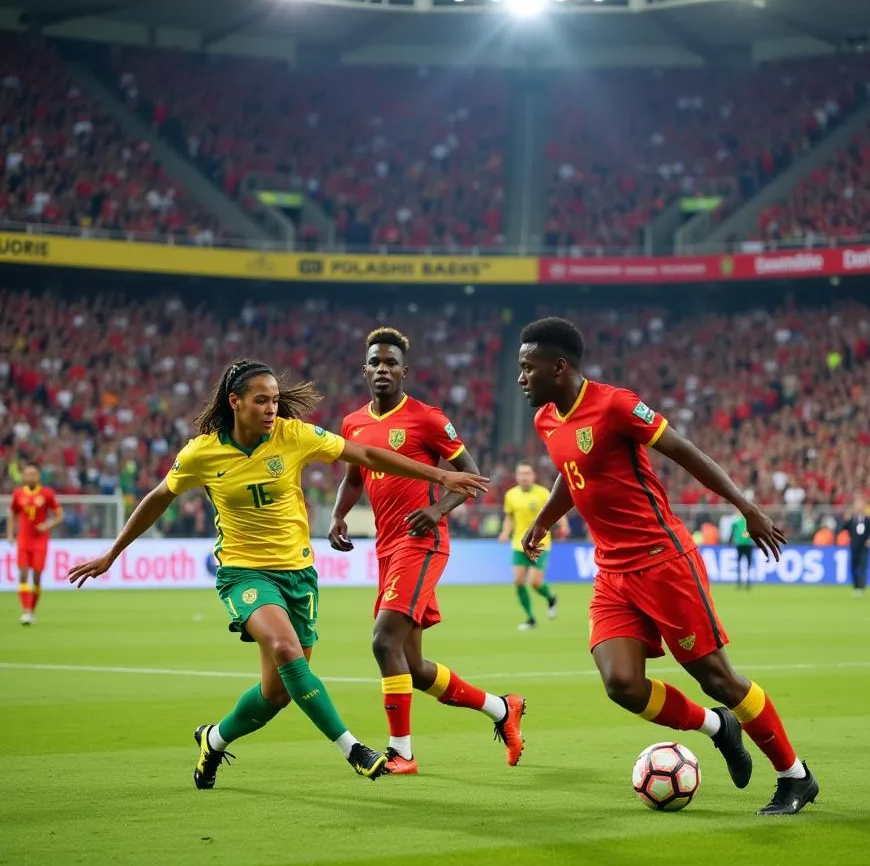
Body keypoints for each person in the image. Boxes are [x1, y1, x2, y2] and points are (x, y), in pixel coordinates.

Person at [68, 358, 488, 788]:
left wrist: (438, 473)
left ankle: (213, 739)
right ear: (235, 402)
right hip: (243, 572)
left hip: (298, 575)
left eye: (274, 400)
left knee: (276, 693)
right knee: (286, 649)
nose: (272, 409)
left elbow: (363, 454)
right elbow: (159, 497)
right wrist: (112, 553)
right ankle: (353, 748)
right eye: (261, 400)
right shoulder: (201, 452)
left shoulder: (293, 436)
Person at [517, 317, 818, 816]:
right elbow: (571, 475)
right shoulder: (546, 419)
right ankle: (718, 727)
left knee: (717, 676)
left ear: (559, 366)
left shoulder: (614, 405)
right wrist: (544, 521)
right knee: (622, 685)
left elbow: (685, 452)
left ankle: (795, 776)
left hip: (663, 561)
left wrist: (745, 508)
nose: (521, 378)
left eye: (528, 369)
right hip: (612, 572)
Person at [329, 328, 525, 776]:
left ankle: (402, 753)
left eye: (391, 363)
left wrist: (437, 511)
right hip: (386, 547)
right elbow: (355, 477)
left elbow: (471, 476)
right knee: (412, 667)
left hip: (422, 542)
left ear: (404, 371)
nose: (383, 369)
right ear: (365, 370)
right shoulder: (353, 424)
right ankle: (502, 708)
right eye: (375, 362)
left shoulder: (427, 419)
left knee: (383, 641)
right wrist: (340, 515)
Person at [499, 460, 570, 630]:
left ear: (533, 476)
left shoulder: (543, 493)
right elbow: (509, 517)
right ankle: (530, 618)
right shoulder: (511, 495)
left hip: (540, 542)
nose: (524, 477)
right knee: (518, 581)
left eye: (527, 474)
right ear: (516, 476)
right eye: (521, 474)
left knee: (535, 582)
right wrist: (505, 532)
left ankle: (551, 597)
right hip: (519, 543)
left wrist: (564, 525)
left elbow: (556, 509)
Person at [5, 463, 63, 625]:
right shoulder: (18, 494)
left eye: (34, 474)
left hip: (40, 540)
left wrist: (47, 525)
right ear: (24, 477)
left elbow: (59, 515)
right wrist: (10, 533)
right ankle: (27, 611)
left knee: (37, 577)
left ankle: (32, 609)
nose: (31, 477)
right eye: (28, 474)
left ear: (38, 477)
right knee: (23, 574)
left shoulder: (47, 494)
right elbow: (12, 513)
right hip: (23, 539)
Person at [840, 496, 870, 596]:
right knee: (853, 567)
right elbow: (842, 528)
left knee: (863, 567)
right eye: (857, 505)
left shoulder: (868, 520)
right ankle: (856, 586)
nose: (859, 507)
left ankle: (861, 587)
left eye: (861, 505)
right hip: (854, 546)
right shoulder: (852, 520)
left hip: (864, 547)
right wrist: (846, 518)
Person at [729, 512, 755, 591]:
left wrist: (729, 541)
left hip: (740, 544)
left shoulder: (736, 522)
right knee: (748, 564)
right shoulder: (750, 522)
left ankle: (740, 583)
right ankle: (747, 583)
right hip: (748, 545)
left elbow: (732, 532)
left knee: (739, 564)